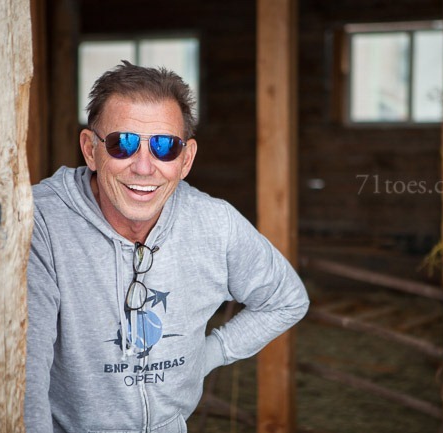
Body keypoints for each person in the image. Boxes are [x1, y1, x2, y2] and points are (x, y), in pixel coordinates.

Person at [24, 61, 309, 433]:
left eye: (165, 147)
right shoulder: (40, 222)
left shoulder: (214, 222)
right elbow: (26, 374)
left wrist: (208, 355)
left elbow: (286, 299)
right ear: (91, 150)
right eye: (123, 144)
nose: (144, 167)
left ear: (186, 159)